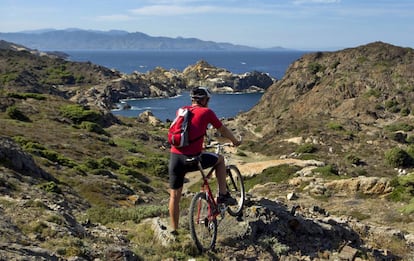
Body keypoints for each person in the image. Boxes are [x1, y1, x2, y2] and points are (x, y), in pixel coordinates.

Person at [168, 87, 241, 234]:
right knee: (220, 160)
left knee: (174, 196)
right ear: (205, 100)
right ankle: (222, 195)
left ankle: (174, 230)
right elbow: (223, 130)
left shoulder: (182, 110)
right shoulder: (207, 112)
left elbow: (188, 129)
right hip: (194, 159)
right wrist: (234, 141)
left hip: (175, 158)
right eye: (208, 100)